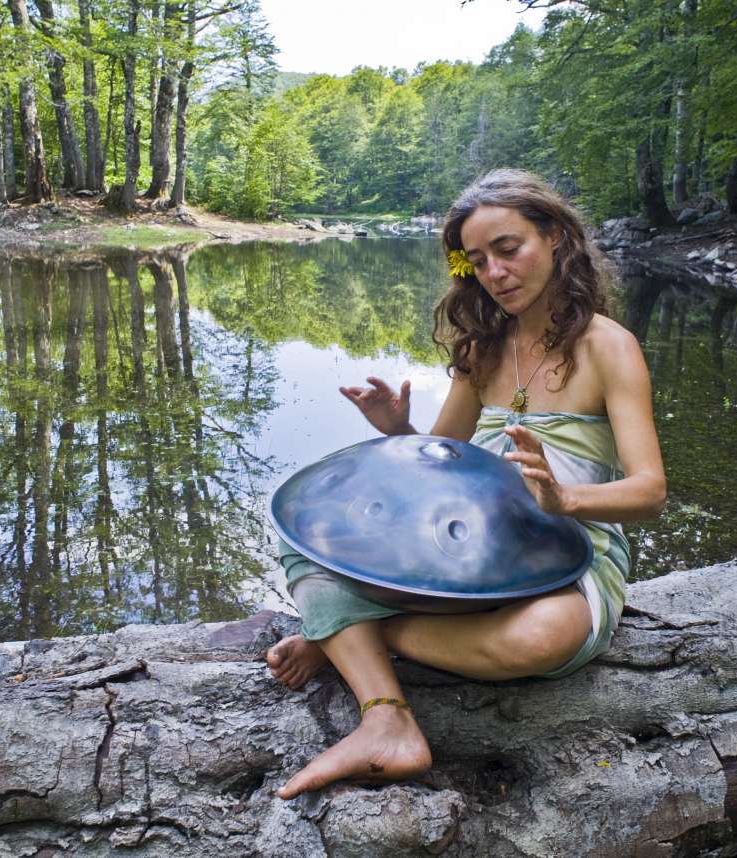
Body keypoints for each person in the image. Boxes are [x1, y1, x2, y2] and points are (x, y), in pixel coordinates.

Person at [265, 169, 667, 799]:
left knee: (541, 638)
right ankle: (386, 720)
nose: (495, 273)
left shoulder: (608, 347)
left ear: (556, 238)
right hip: (471, 555)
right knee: (305, 536)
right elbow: (440, 466)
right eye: (477, 262)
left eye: (509, 249)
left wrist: (566, 499)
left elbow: (650, 491)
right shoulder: (482, 348)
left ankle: (348, 631)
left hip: (573, 550)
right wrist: (399, 432)